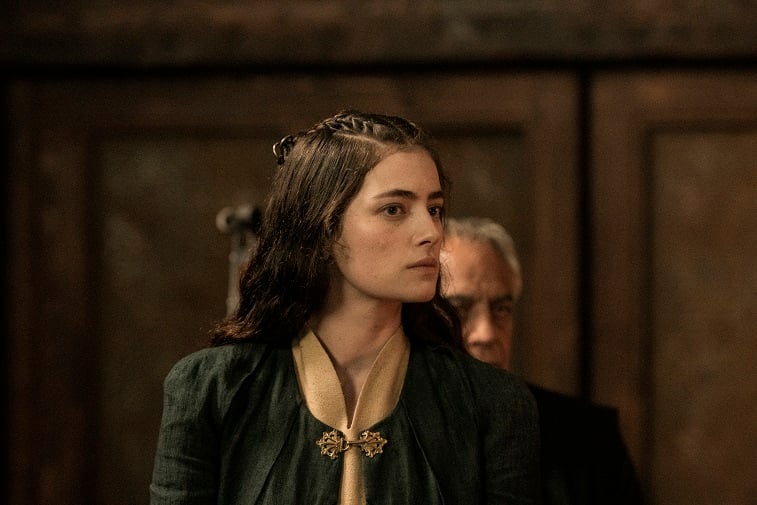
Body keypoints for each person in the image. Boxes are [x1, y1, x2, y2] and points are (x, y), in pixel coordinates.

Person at [150, 111, 541, 504]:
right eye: (394, 209)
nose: (431, 233)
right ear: (324, 227)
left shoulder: (491, 403)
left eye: (434, 209)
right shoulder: (210, 389)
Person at [441, 217, 643, 505]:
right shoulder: (389, 432)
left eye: (501, 309)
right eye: (459, 310)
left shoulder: (589, 439)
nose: (486, 334)